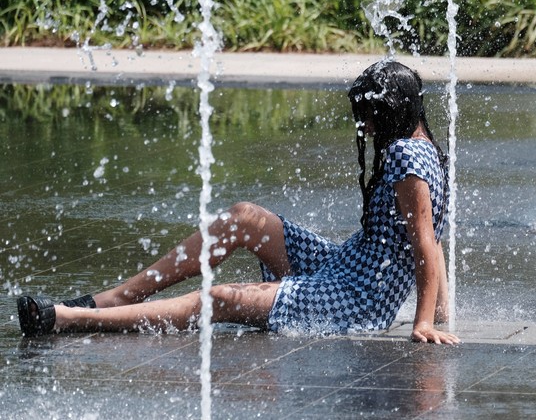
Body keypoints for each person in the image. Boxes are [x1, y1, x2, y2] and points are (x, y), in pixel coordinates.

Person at [17, 60, 460, 345]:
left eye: (367, 114)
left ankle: (71, 318)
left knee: (223, 297)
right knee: (245, 218)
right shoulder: (421, 148)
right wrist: (441, 312)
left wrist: (424, 324)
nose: (362, 125)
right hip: (345, 266)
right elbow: (433, 238)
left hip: (356, 298)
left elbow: (425, 243)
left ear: (390, 111)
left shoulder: (405, 155)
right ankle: (116, 297)